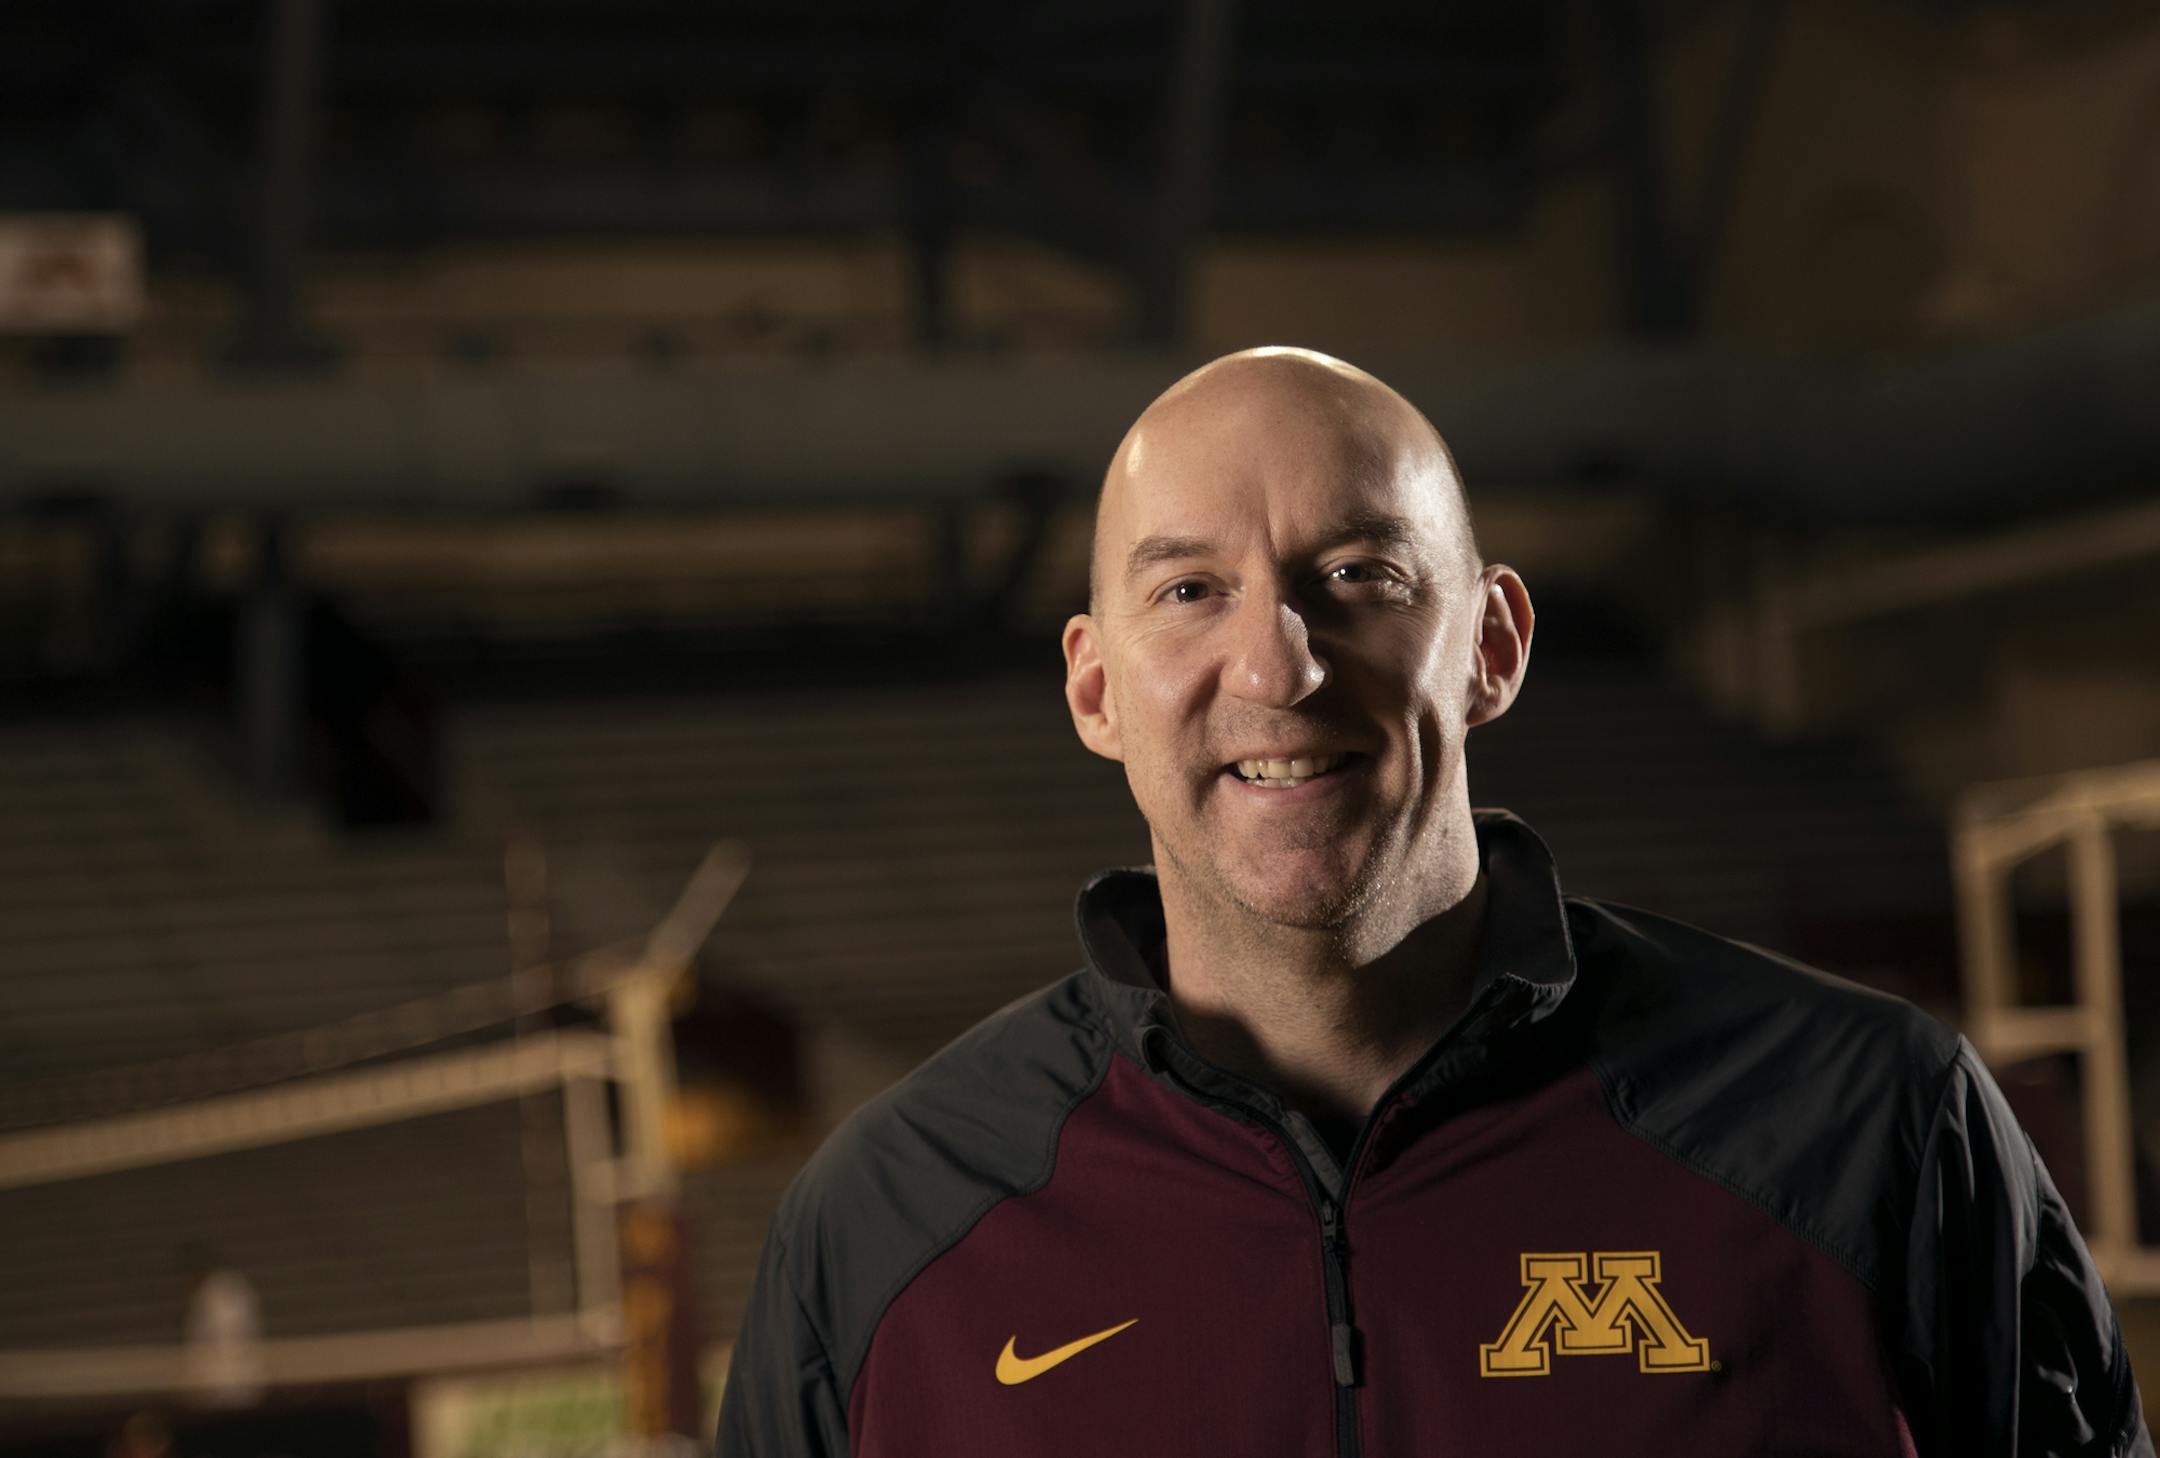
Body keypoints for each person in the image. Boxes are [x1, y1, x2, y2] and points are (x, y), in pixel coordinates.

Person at [715, 347, 2149, 1456]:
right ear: (1096, 686)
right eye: (1190, 592)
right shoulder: (887, 1229)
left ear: (1494, 643)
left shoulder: (1864, 1124)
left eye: (1358, 574)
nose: (1279, 665)